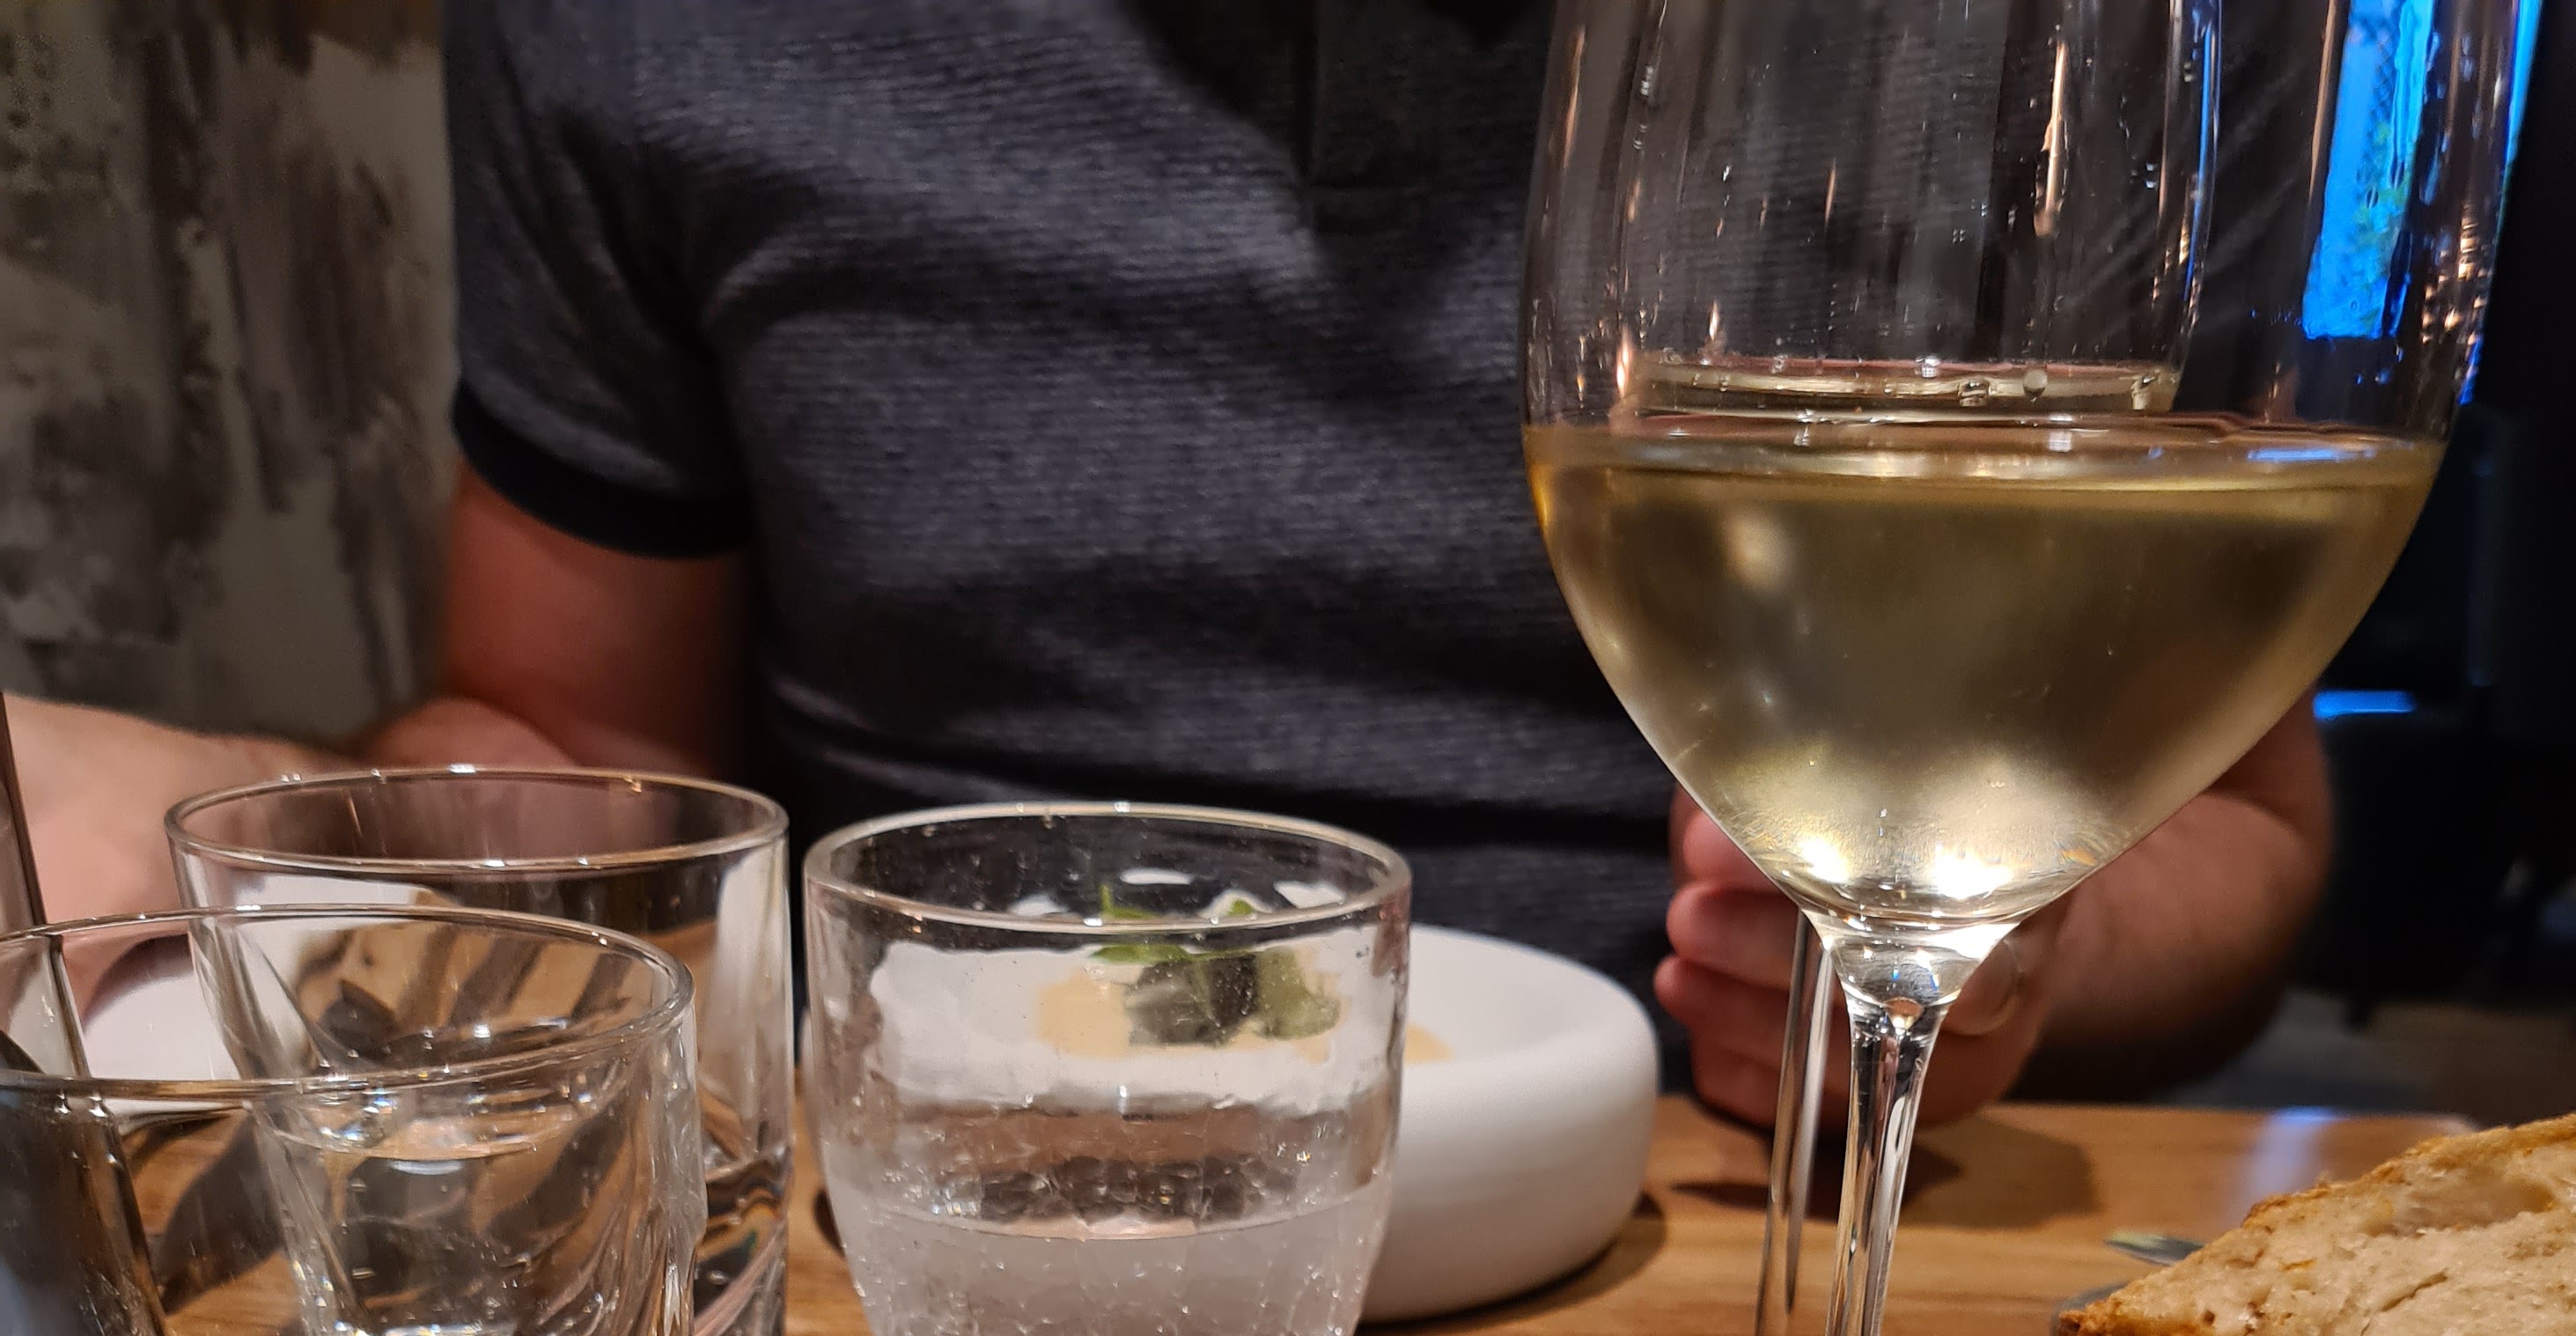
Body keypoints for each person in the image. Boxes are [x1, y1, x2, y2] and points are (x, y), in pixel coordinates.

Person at [13, 0, 2329, 1128]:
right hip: (902, 1203)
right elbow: (568, 735)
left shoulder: (2099, 41)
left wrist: (1996, 939)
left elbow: (2237, 827)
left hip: (1737, 1226)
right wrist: (248, 831)